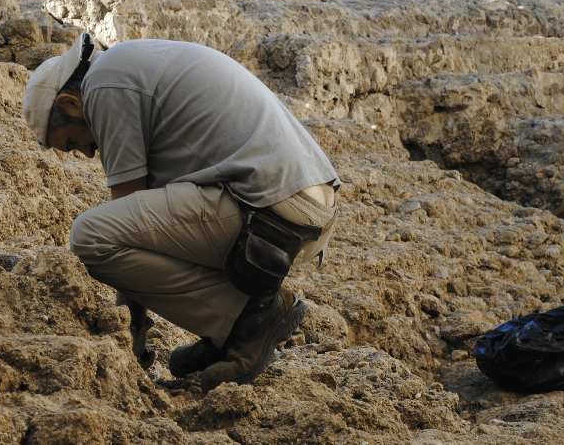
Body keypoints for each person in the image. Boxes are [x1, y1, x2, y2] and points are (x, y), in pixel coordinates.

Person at [22, 32, 340, 389]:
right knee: (123, 229)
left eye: (69, 143)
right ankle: (228, 334)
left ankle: (247, 318)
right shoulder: (133, 65)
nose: (86, 153)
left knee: (89, 237)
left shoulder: (103, 87)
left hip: (270, 209)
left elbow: (122, 221)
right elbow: (142, 224)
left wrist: (130, 348)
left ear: (70, 103)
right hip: (308, 209)